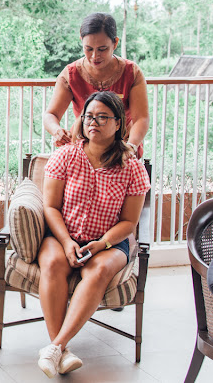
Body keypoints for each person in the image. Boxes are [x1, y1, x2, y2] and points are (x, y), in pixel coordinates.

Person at [37, 91, 150, 378]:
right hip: (63, 233)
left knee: (98, 271)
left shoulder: (132, 166)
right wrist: (66, 242)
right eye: (89, 116)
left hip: (110, 241)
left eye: (102, 117)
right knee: (52, 263)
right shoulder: (65, 155)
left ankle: (55, 347)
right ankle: (61, 351)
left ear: (118, 123)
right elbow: (50, 207)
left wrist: (101, 243)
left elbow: (129, 222)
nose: (93, 123)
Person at [44, 13, 149, 158]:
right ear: (81, 41)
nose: (94, 56)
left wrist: (131, 146)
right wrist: (57, 131)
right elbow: (51, 114)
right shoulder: (70, 74)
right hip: (83, 146)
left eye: (102, 49)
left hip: (122, 146)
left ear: (115, 43)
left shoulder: (132, 72)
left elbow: (141, 118)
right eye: (88, 49)